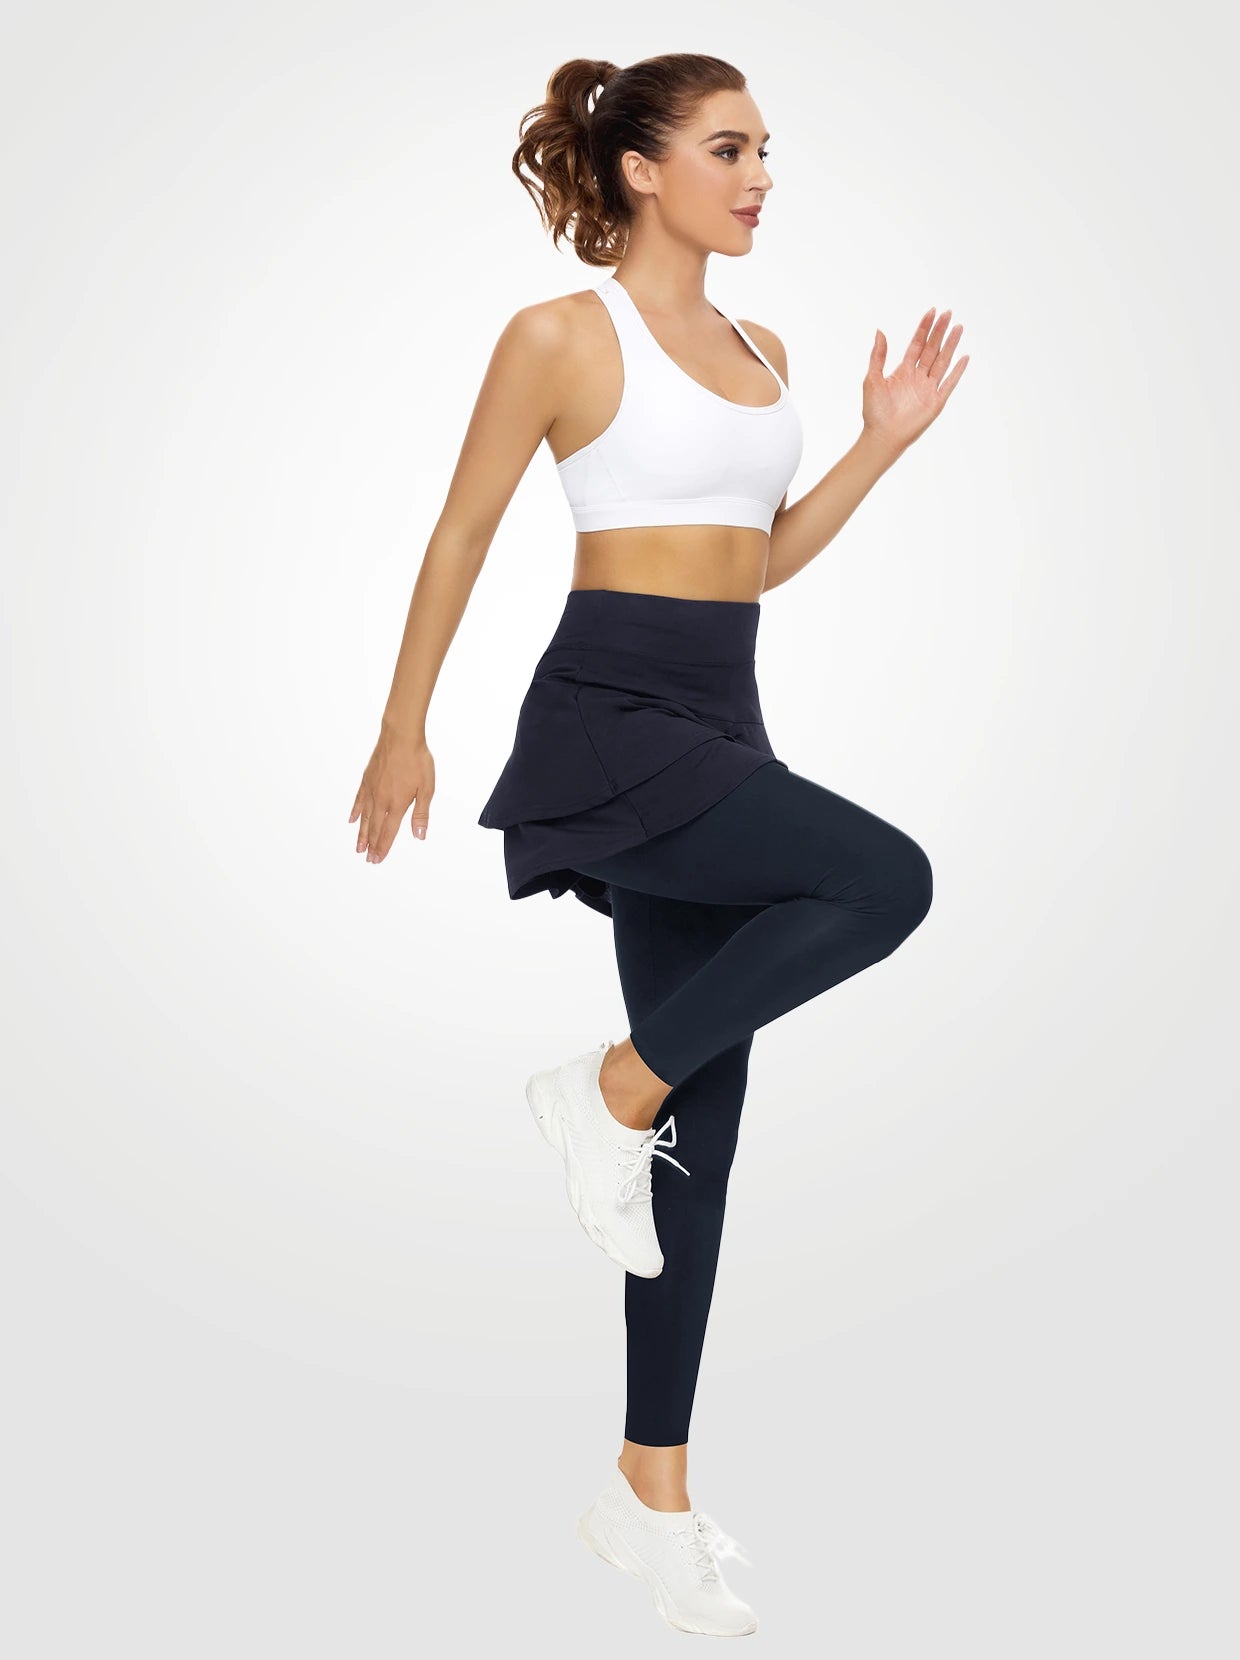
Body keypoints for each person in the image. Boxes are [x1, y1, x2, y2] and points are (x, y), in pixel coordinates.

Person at [350, 51, 969, 1639]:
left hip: (721, 719)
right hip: (613, 715)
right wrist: (406, 726)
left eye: (766, 151)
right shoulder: (563, 335)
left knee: (701, 1135)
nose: (760, 177)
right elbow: (464, 529)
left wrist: (882, 440)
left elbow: (754, 560)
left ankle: (650, 1491)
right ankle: (607, 1087)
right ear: (641, 169)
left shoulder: (766, 352)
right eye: (728, 149)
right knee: (884, 879)